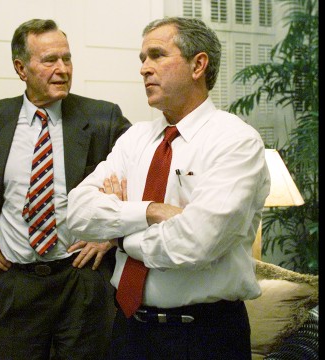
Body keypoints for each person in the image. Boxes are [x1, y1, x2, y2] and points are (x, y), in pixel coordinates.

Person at [67, 17, 271, 359]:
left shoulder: (235, 142)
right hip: (129, 330)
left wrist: (117, 234)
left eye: (157, 55)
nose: (145, 69)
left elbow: (195, 244)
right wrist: (150, 211)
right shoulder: (134, 139)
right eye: (142, 59)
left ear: (198, 65)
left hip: (204, 336)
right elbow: (77, 213)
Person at [0, 19, 131, 360]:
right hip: (16, 283)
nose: (63, 69)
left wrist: (110, 236)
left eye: (67, 59)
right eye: (50, 60)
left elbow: (142, 176)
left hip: (80, 281)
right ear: (21, 68)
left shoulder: (102, 117)